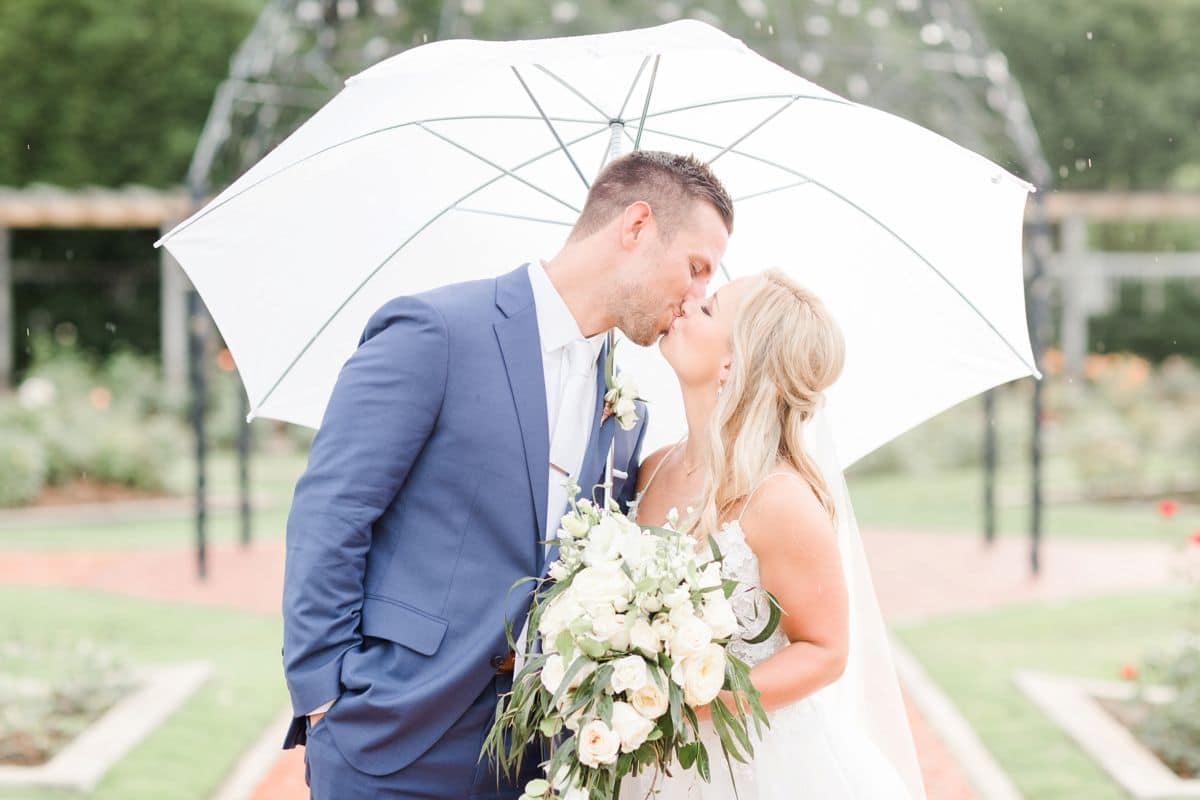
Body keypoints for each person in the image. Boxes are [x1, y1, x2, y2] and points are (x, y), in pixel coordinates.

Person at [281, 151, 733, 799]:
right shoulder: (434, 332)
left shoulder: (627, 409)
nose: (696, 298)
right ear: (636, 225)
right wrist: (325, 699)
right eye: (695, 268)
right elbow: (330, 515)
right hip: (391, 740)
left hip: (537, 758)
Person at [621, 271, 926, 799]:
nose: (688, 304)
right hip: (638, 758)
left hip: (744, 769)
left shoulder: (779, 499)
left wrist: (694, 701)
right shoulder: (652, 467)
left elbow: (826, 650)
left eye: (710, 309)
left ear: (732, 363)